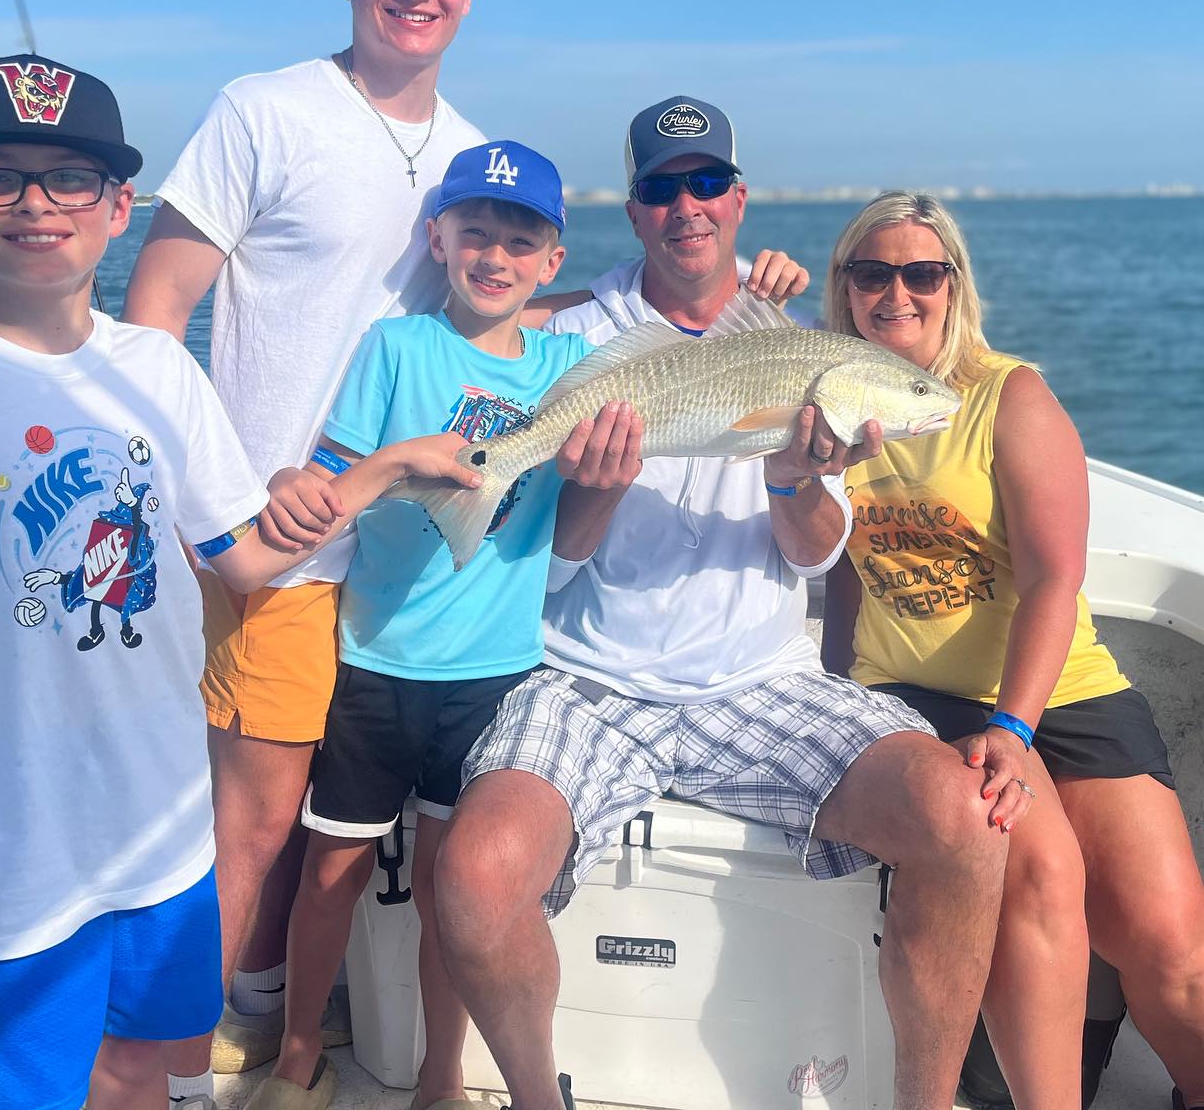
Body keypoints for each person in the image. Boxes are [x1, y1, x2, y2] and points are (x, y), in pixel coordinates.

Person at [0, 55, 477, 1110]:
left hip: (167, 841)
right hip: (3, 863)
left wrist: (376, 473)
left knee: (142, 1070)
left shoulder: (164, 371)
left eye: (71, 178)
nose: (37, 203)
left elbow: (245, 554)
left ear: (123, 207)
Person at [434, 97, 1013, 1110]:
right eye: (663, 188)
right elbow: (554, 569)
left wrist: (797, 475)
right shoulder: (576, 333)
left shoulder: (791, 334)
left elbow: (815, 551)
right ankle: (537, 1099)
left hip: (758, 678)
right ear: (635, 209)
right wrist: (597, 482)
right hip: (592, 676)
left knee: (963, 824)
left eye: (708, 184)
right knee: (473, 876)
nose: (687, 206)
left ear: (740, 199)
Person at [121, 0, 490, 1105]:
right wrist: (220, 504)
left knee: (339, 831)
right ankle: (158, 1068)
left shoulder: (470, 153)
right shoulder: (263, 108)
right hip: (276, 549)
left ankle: (275, 1008)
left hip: (408, 563)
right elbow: (154, 314)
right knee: (255, 827)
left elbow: (503, 316)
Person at [820, 191, 1204, 1110]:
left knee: (1168, 941)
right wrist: (832, 691)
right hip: (915, 694)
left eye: (922, 273)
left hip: (1056, 688)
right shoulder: (825, 398)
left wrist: (1016, 726)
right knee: (1040, 869)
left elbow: (1053, 579)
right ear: (845, 287)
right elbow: (836, 565)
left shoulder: (1007, 394)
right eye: (873, 273)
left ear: (954, 284)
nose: (897, 293)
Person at [244, 140, 605, 1110]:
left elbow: (662, 337)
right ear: (438, 239)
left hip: (497, 676)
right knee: (332, 871)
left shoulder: (574, 367)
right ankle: (296, 1049)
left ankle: (442, 1074)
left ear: (551, 261)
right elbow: (331, 478)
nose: (495, 255)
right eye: (475, 233)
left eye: (519, 241)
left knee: (454, 884)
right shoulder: (396, 348)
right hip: (377, 658)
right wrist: (309, 481)